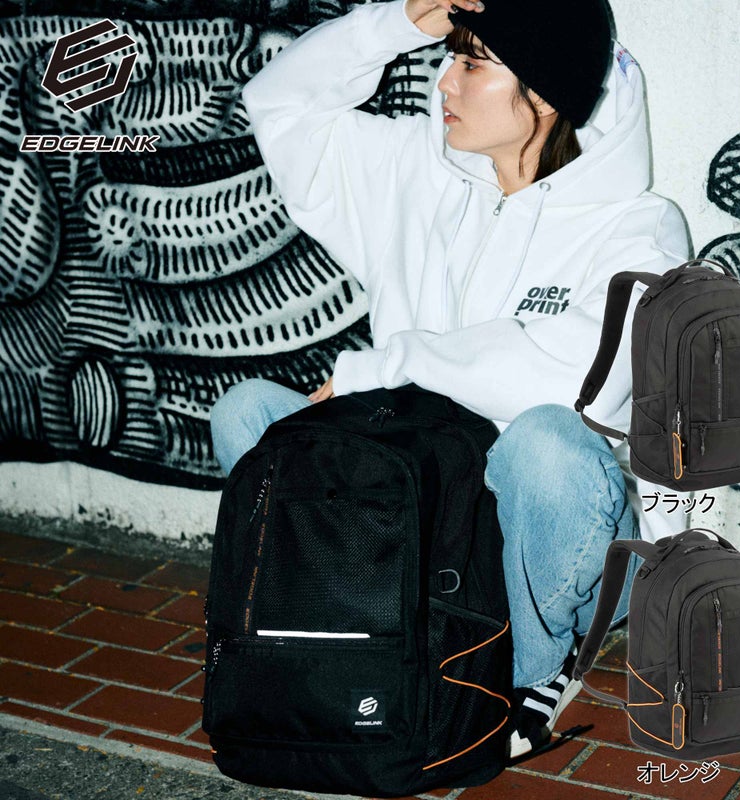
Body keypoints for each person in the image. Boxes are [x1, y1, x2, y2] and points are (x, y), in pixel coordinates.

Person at [211, 0, 689, 759]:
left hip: (548, 539)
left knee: (546, 440)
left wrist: (388, 366)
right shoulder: (417, 171)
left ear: (544, 95)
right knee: (248, 416)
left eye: (470, 63)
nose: (443, 82)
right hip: (419, 516)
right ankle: (353, 626)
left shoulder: (637, 227)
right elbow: (279, 102)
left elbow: (580, 384)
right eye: (448, 58)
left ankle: (533, 672)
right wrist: (400, 22)